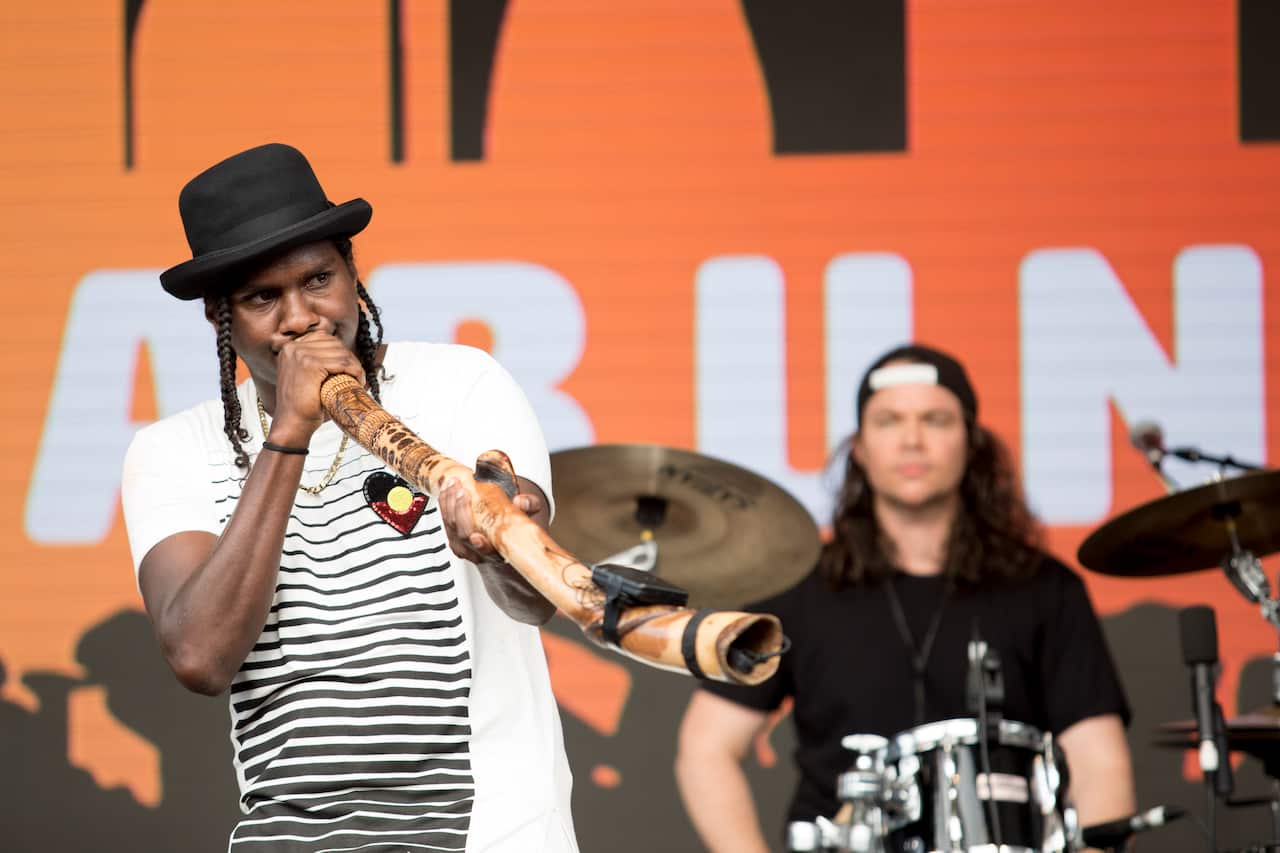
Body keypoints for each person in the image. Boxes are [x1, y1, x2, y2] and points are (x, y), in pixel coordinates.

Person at [121, 143, 579, 852]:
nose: (302, 317)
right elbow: (200, 655)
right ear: (220, 316)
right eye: (262, 298)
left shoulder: (461, 385)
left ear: (352, 273)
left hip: (489, 832)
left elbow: (534, 598)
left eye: (318, 279)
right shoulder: (172, 451)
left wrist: (489, 549)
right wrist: (291, 431)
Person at [674, 344, 1135, 852]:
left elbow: (1099, 761)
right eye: (889, 421)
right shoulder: (801, 587)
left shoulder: (1046, 589)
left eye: (935, 420)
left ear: (971, 443)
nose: (912, 440)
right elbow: (707, 749)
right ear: (862, 449)